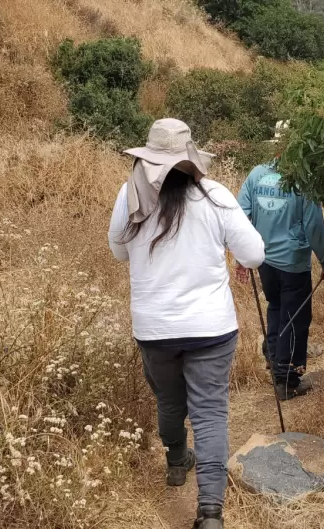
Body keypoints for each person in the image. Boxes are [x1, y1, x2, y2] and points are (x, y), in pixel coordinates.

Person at [108, 119, 265, 529]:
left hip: (154, 327)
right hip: (211, 327)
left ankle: (177, 461)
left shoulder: (131, 195)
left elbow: (119, 253)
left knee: (169, 402)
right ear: (191, 158)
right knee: (211, 413)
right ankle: (210, 512)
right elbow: (254, 255)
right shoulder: (214, 195)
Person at [235, 158, 324, 401]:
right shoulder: (304, 177)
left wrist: (243, 255)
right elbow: (313, 225)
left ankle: (273, 357)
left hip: (263, 258)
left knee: (276, 306)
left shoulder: (256, 173)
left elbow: (239, 215)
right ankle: (287, 380)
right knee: (295, 317)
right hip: (292, 261)